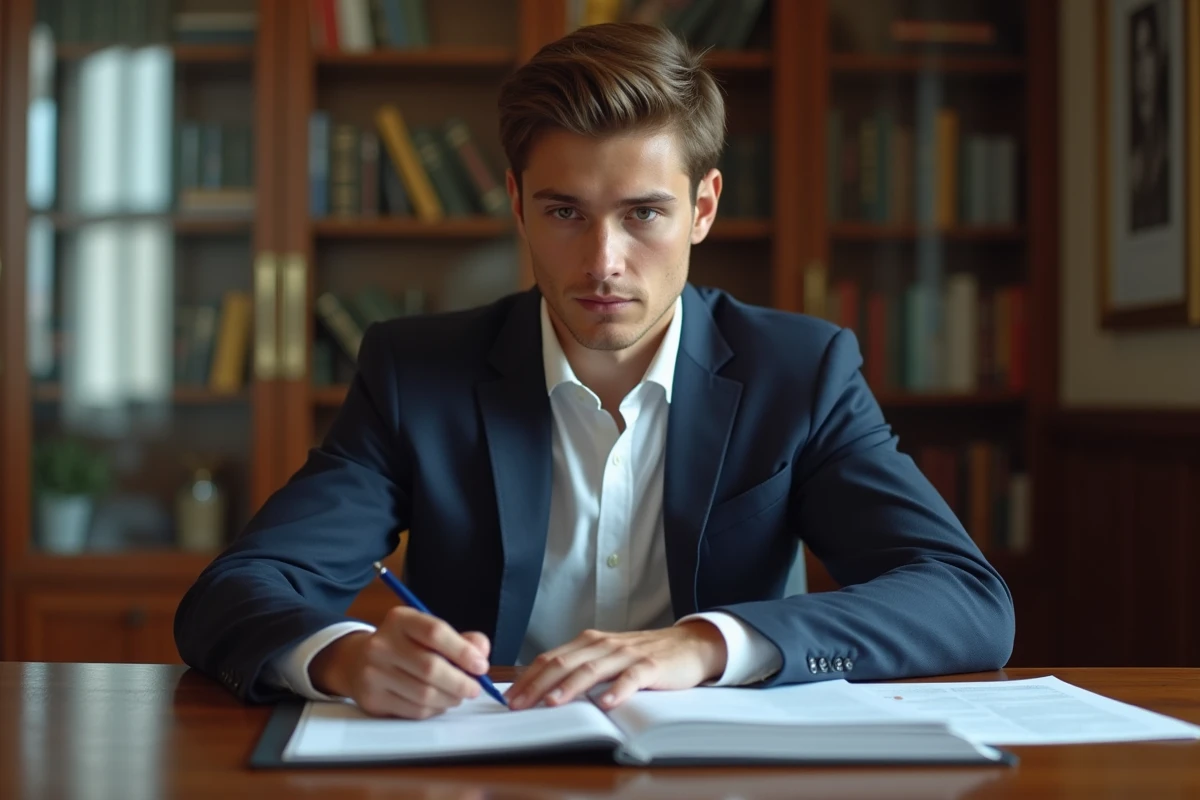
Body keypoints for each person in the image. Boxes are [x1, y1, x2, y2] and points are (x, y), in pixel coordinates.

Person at [174, 22, 1015, 719]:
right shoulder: (415, 374)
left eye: (644, 213)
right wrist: (346, 660)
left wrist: (704, 643)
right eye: (565, 212)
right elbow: (236, 591)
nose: (603, 261)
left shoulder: (799, 372)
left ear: (704, 209)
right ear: (517, 206)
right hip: (483, 766)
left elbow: (964, 599)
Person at [1129, 0, 1169, 231]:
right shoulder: (1132, 161)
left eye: (1148, 52)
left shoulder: (1169, 151)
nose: (1142, 71)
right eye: (1137, 56)